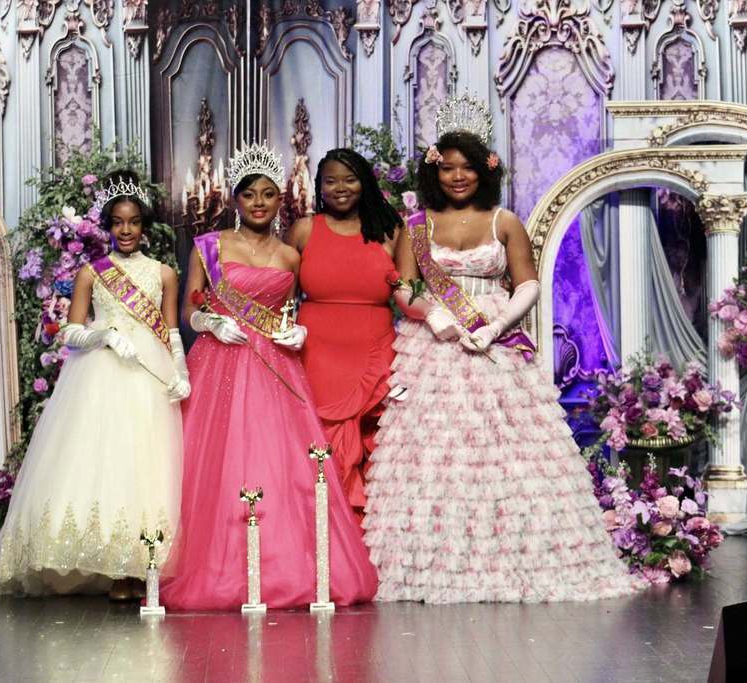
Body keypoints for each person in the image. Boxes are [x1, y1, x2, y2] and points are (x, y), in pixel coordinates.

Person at [362, 96, 644, 603]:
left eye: (468, 167)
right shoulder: (417, 224)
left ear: (485, 170)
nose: (458, 177)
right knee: (437, 453)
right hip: (433, 348)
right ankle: (435, 559)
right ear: (434, 172)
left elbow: (528, 284)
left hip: (495, 339)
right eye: (448, 168)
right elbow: (402, 285)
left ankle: (513, 553)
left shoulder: (504, 221)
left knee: (508, 452)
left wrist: (495, 326)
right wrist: (434, 316)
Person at [160, 143, 378, 610]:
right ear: (235, 199)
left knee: (281, 462)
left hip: (276, 366)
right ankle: (219, 566)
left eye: (268, 194)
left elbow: (291, 311)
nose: (258, 203)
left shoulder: (290, 255)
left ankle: (285, 566)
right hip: (220, 360)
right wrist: (210, 322)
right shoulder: (209, 246)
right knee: (218, 461)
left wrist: (298, 332)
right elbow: (187, 310)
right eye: (249, 194)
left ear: (282, 199)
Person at [0, 171, 189, 599]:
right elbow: (69, 332)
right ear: (107, 227)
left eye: (133, 222)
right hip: (101, 375)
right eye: (117, 222)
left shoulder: (164, 273)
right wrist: (103, 335)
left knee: (145, 464)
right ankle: (110, 565)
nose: (126, 230)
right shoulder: (92, 272)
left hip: (149, 375)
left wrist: (180, 372)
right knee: (104, 461)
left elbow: (172, 331)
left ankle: (139, 566)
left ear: (144, 225)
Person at [286, 148, 402, 516]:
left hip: (375, 353)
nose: (340, 188)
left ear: (365, 182)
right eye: (330, 181)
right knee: (318, 449)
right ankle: (322, 536)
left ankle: (368, 541)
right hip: (315, 357)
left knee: (374, 449)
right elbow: (280, 294)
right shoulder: (304, 229)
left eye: (350, 179)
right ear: (318, 186)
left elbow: (411, 294)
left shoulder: (390, 230)